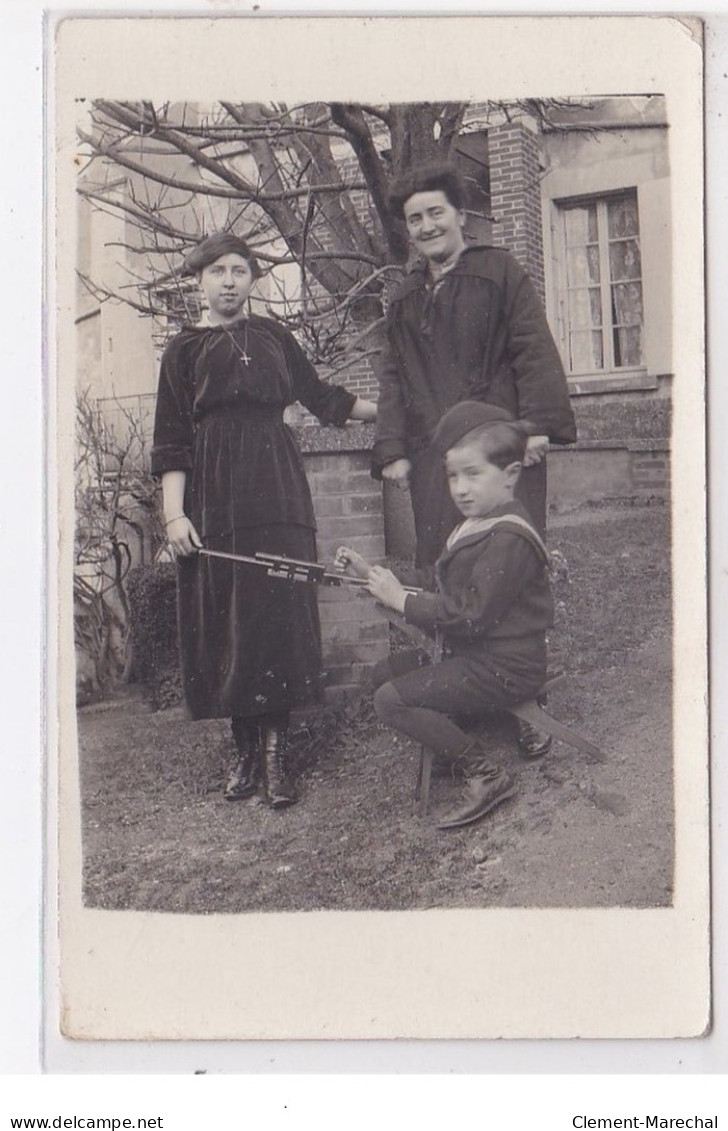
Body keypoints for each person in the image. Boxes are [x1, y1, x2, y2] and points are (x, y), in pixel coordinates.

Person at [151, 231, 376, 809]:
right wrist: (174, 515)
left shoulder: (276, 337)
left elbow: (328, 401)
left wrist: (402, 409)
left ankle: (277, 755)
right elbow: (171, 443)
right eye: (217, 271)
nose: (229, 281)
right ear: (198, 281)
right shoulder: (182, 351)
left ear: (253, 280)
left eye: (240, 271)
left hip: (277, 488)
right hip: (214, 493)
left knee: (278, 610)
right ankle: (245, 748)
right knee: (229, 617)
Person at [336, 401, 553, 830]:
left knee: (390, 699)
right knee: (385, 674)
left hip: (507, 667)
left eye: (474, 474)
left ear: (510, 476)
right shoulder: (477, 523)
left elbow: (469, 613)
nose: (461, 488)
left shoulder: (509, 535)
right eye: (453, 476)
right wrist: (374, 578)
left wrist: (401, 600)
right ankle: (453, 741)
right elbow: (448, 593)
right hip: (480, 657)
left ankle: (485, 774)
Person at [372, 161, 576, 563]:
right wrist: (392, 449)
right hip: (436, 454)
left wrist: (535, 427)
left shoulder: (500, 271)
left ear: (460, 216)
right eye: (415, 219)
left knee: (505, 556)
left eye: (436, 213)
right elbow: (394, 377)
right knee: (443, 560)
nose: (427, 226)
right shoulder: (403, 298)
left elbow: (532, 348)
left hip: (499, 442)